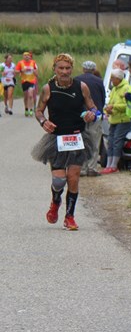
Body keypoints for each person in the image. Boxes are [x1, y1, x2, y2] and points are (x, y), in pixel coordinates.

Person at [31, 53, 99, 231]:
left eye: (67, 68)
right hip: (56, 139)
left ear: (72, 69)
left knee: (73, 178)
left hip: (77, 138)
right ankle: (55, 202)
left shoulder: (81, 86)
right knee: (59, 181)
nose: (64, 71)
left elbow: (93, 107)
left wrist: (92, 113)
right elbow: (38, 111)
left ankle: (70, 217)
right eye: (61, 68)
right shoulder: (48, 88)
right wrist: (43, 122)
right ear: (54, 69)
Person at [76, 61, 106, 177]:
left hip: (80, 114)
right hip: (95, 114)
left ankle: (82, 168)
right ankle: (92, 167)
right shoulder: (99, 81)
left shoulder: (77, 80)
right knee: (94, 141)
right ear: (94, 69)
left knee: (82, 141)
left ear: (83, 69)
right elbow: (103, 98)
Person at [101, 68, 131, 174]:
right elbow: (110, 101)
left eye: (112, 78)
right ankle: (108, 165)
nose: (111, 81)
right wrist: (108, 109)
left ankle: (114, 165)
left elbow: (127, 105)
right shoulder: (114, 88)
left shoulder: (126, 88)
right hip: (114, 119)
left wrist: (113, 106)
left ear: (118, 79)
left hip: (123, 120)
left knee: (117, 141)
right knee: (110, 142)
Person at [15, 51, 38, 117]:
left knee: (30, 95)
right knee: (25, 97)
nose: (27, 56)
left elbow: (36, 73)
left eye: (28, 55)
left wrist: (34, 71)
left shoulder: (33, 63)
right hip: (24, 81)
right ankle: (26, 109)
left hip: (32, 81)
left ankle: (31, 110)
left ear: (30, 56)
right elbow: (16, 72)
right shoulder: (20, 63)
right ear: (23, 57)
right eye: (25, 55)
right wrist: (22, 70)